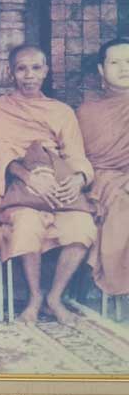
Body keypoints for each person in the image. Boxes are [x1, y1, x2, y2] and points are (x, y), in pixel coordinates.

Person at [0, 44, 96, 325]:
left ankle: (54, 297)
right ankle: (34, 297)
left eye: (36, 68)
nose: (29, 75)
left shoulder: (61, 112)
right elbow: (1, 155)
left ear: (46, 70)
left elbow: (76, 155)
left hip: (58, 188)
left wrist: (77, 179)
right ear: (10, 73)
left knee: (83, 228)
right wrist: (29, 178)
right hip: (20, 191)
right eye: (21, 69)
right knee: (27, 224)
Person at [76, 38, 129, 296]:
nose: (124, 68)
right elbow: (78, 159)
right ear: (101, 69)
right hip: (102, 183)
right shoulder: (87, 111)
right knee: (121, 202)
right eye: (115, 62)